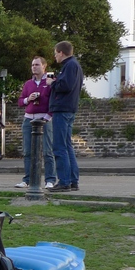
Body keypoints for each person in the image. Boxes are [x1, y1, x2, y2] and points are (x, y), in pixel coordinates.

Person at [15, 56, 56, 189]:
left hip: (44, 119)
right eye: (32, 65)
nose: (34, 67)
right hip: (29, 119)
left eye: (37, 65)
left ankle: (50, 180)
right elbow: (20, 102)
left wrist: (48, 117)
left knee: (47, 151)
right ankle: (27, 179)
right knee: (27, 151)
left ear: (44, 66)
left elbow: (54, 101)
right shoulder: (28, 84)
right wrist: (28, 99)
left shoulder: (50, 82)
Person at [47, 41, 83, 192]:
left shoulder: (69, 65)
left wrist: (52, 84)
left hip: (62, 109)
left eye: (55, 53)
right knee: (67, 146)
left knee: (60, 146)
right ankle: (73, 180)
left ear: (61, 52)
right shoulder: (75, 66)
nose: (55, 56)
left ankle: (64, 181)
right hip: (69, 108)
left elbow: (66, 86)